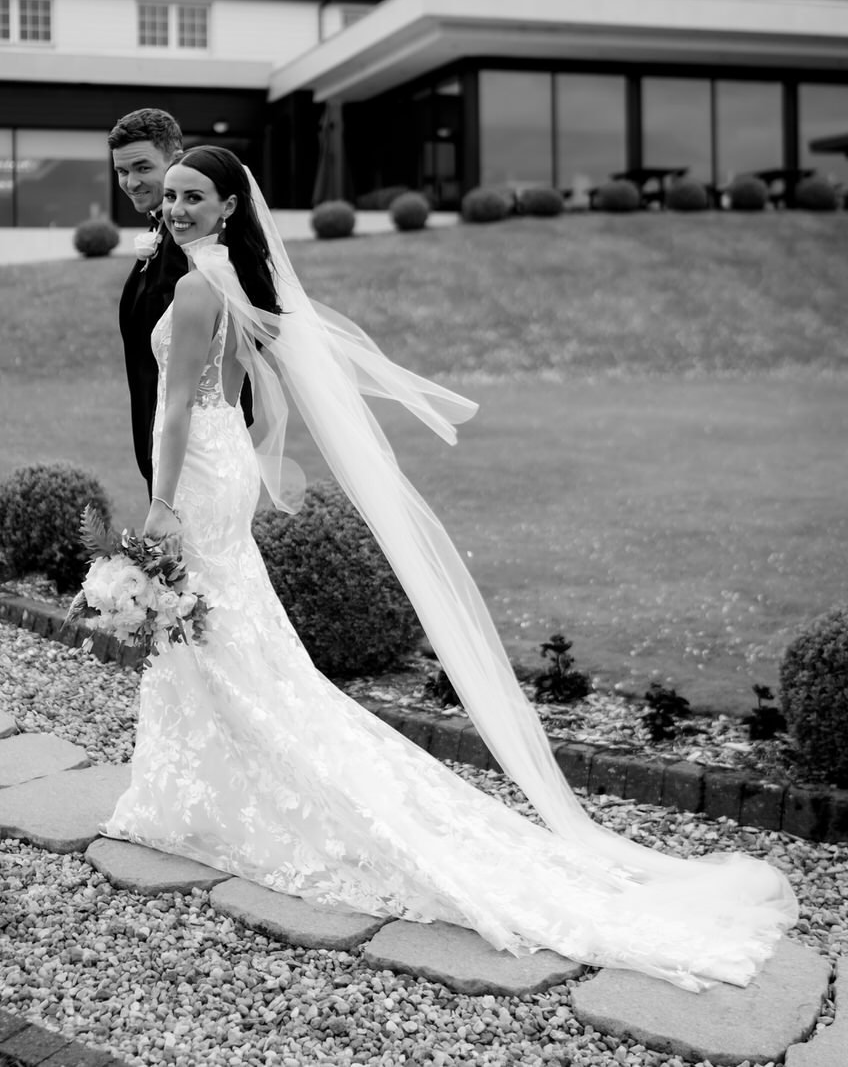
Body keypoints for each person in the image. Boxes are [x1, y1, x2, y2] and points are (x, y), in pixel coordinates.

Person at [103, 146, 797, 992]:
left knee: (212, 627)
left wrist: (162, 503)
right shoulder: (233, 279)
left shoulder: (196, 285)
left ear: (227, 208)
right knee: (224, 628)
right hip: (226, 466)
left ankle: (207, 797)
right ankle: (194, 792)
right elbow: (239, 392)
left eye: (191, 196)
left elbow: (176, 405)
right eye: (168, 195)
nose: (173, 207)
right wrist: (229, 468)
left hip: (198, 475)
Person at [109, 108, 188, 495]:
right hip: (157, 441)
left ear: (175, 159)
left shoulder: (191, 246)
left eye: (142, 168)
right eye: (122, 171)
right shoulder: (162, 233)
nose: (130, 182)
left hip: (187, 449)